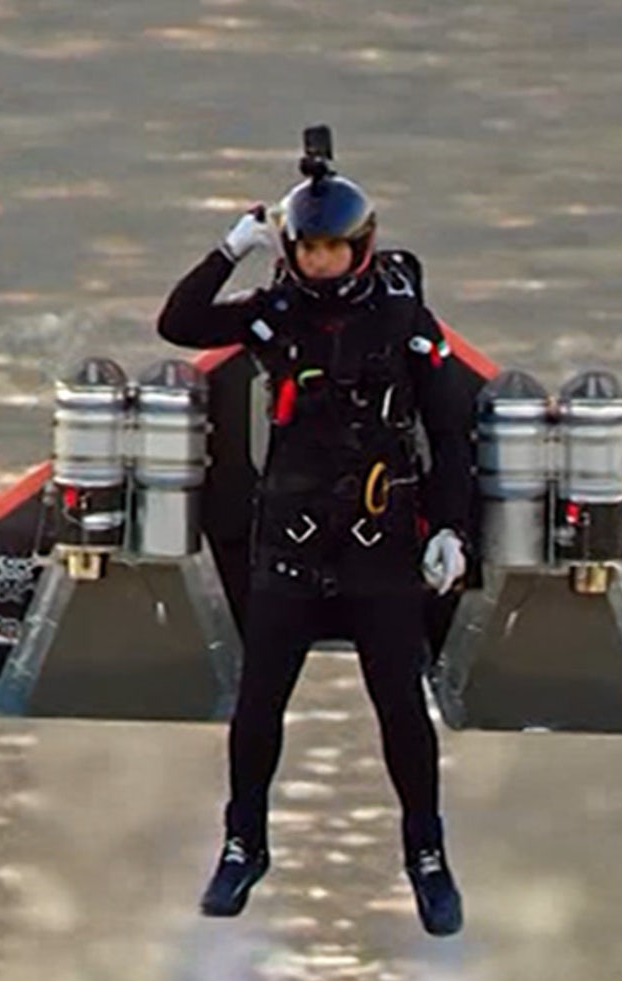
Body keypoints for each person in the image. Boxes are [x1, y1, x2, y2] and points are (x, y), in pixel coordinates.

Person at [157, 163, 474, 935]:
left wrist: (453, 531)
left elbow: (451, 432)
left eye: (335, 249)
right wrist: (228, 247)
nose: (321, 263)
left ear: (360, 247)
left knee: (401, 708)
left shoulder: (404, 320)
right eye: (308, 249)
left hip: (382, 541)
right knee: (259, 703)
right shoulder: (271, 314)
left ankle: (427, 857)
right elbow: (180, 321)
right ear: (290, 250)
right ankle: (243, 844)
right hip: (291, 538)